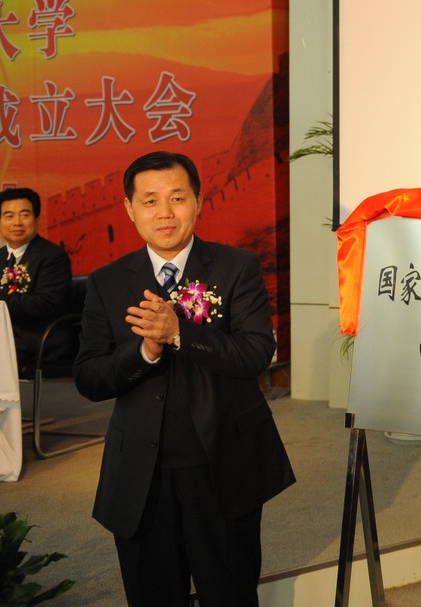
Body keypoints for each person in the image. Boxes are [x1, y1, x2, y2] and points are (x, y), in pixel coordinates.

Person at [73, 151, 294, 606]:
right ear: (130, 210)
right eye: (150, 201)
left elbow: (256, 353)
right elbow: (90, 377)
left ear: (198, 202)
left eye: (177, 198)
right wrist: (145, 352)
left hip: (222, 461)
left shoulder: (236, 267)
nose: (165, 213)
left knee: (229, 592)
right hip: (141, 471)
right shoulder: (108, 281)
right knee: (152, 594)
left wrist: (179, 334)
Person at [0, 186, 72, 378]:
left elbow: (45, 304)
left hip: (38, 338)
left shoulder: (53, 256)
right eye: (9, 216)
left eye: (24, 215)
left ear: (36, 220)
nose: (17, 223)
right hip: (2, 337)